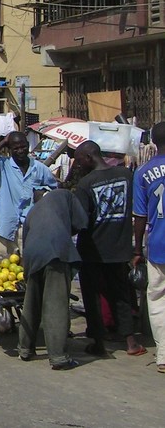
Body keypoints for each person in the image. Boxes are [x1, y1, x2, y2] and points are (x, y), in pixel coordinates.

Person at [73, 141, 145, 356]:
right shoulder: (126, 175)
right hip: (119, 248)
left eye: (78, 160)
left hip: (92, 250)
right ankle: (131, 342)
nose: (77, 164)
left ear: (88, 157)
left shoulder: (86, 184)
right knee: (121, 295)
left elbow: (80, 220)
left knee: (92, 297)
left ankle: (98, 342)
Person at [17, 188, 87, 369]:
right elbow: (81, 222)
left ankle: (25, 349)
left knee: (31, 303)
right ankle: (59, 357)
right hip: (55, 251)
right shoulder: (66, 195)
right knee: (56, 304)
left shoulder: (32, 212)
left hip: (33, 255)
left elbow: (25, 244)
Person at [0, 131, 58, 256]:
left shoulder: (40, 169)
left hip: (30, 229)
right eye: (15, 148)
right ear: (10, 149)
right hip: (4, 228)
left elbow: (53, 191)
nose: (20, 151)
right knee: (2, 269)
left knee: (27, 269)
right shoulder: (3, 165)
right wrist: (4, 142)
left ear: (28, 145)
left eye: (23, 147)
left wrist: (43, 192)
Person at [133, 121, 165, 373]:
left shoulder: (142, 172)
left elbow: (140, 217)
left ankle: (163, 356)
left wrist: (136, 249)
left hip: (157, 246)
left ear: (153, 142)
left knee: (157, 300)